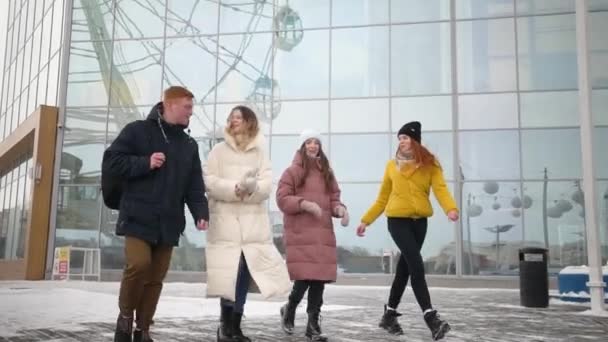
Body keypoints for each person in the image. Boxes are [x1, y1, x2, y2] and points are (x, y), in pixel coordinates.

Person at [104, 86, 209, 342]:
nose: (191, 114)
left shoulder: (188, 145)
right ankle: (125, 317)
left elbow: (194, 185)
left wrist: (200, 212)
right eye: (187, 108)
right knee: (139, 265)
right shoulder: (137, 131)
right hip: (137, 216)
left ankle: (143, 329)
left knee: (155, 278)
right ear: (170, 105)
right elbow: (111, 161)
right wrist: (145, 162)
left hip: (169, 220)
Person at [356, 121, 459, 341]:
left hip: (420, 222)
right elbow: (382, 198)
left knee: (404, 268)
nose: (402, 142)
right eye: (400, 138)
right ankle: (431, 317)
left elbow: (441, 189)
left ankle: (389, 314)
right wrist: (366, 220)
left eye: (405, 137)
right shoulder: (391, 166)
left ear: (415, 140)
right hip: (397, 221)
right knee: (416, 264)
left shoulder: (430, 165)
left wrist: (450, 208)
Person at [203, 105, 291, 342]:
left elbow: (266, 185)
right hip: (226, 220)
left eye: (239, 118)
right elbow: (209, 181)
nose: (234, 121)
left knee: (244, 272)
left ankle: (236, 324)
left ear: (250, 121)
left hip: (252, 224)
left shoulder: (260, 152)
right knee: (229, 272)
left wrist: (251, 188)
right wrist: (234, 189)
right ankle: (224, 326)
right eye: (231, 118)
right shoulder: (218, 151)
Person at [276, 130, 349, 342]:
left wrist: (340, 210)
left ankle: (313, 325)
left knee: (319, 280)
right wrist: (304, 204)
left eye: (316, 142)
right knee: (305, 278)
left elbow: (334, 198)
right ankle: (290, 309)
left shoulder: (327, 172)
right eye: (309, 142)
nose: (313, 146)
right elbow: (282, 199)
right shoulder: (292, 171)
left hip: (322, 232)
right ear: (302, 145)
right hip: (301, 231)